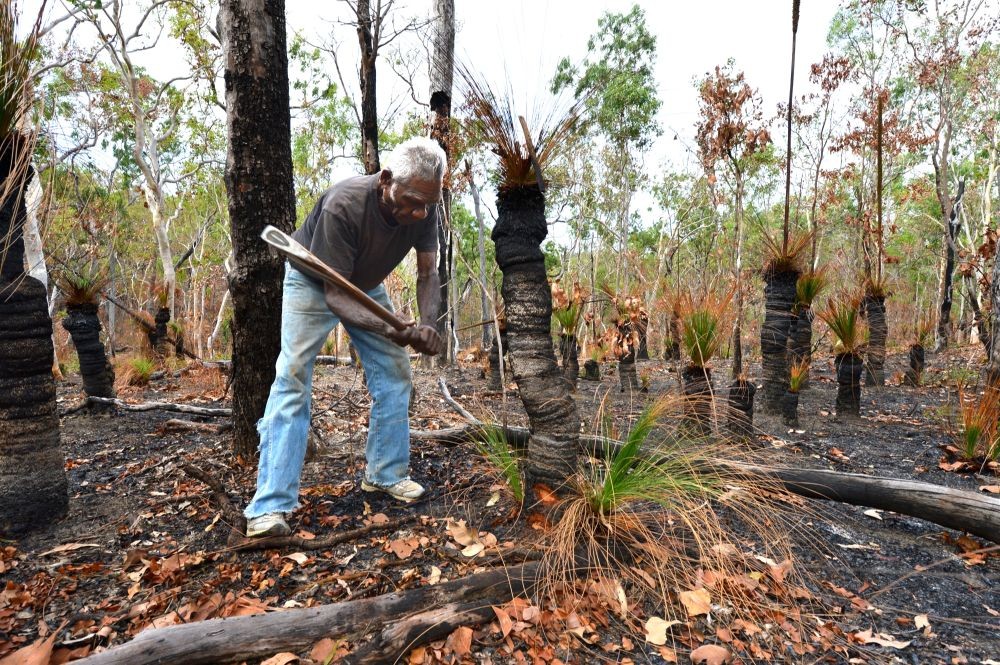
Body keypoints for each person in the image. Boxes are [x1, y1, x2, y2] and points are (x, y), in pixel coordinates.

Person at [245, 137, 446, 538]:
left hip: (364, 283)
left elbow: (428, 273)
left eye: (427, 203)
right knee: (293, 376)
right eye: (411, 201)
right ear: (385, 180)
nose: (419, 211)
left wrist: (427, 325)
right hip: (314, 279)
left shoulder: (426, 206)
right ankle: (269, 508)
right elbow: (335, 294)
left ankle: (385, 474)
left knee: (394, 371)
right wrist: (392, 329)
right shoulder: (345, 203)